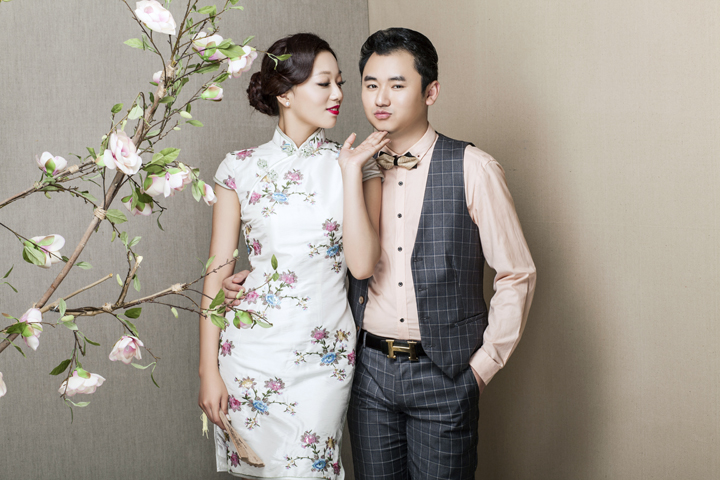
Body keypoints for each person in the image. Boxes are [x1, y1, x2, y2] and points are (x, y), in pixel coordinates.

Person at [344, 28, 537, 479]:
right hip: (368, 374)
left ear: (430, 92)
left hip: (445, 375)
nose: (380, 98)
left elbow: (516, 274)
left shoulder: (474, 168)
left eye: (397, 84)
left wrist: (481, 369)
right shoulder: (351, 168)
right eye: (371, 84)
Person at [199, 33, 388, 479]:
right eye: (324, 83)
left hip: (323, 357)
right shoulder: (238, 168)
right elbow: (216, 273)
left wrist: (349, 172)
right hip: (251, 355)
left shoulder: (358, 164)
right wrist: (208, 371)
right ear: (285, 93)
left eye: (340, 83)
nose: (338, 94)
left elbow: (362, 265)